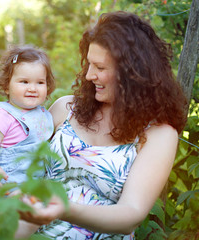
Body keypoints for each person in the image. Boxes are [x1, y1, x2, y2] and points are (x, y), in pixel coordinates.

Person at [18, 11, 188, 239]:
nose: (89, 75)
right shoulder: (64, 109)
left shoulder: (158, 134)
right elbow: (21, 165)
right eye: (89, 64)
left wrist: (65, 209)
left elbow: (131, 214)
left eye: (100, 67)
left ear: (131, 72)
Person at [0, 45, 55, 185]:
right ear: (6, 85)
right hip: (8, 186)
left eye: (40, 82)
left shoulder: (44, 114)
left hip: (36, 187)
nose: (32, 88)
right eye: (24, 82)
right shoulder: (2, 116)